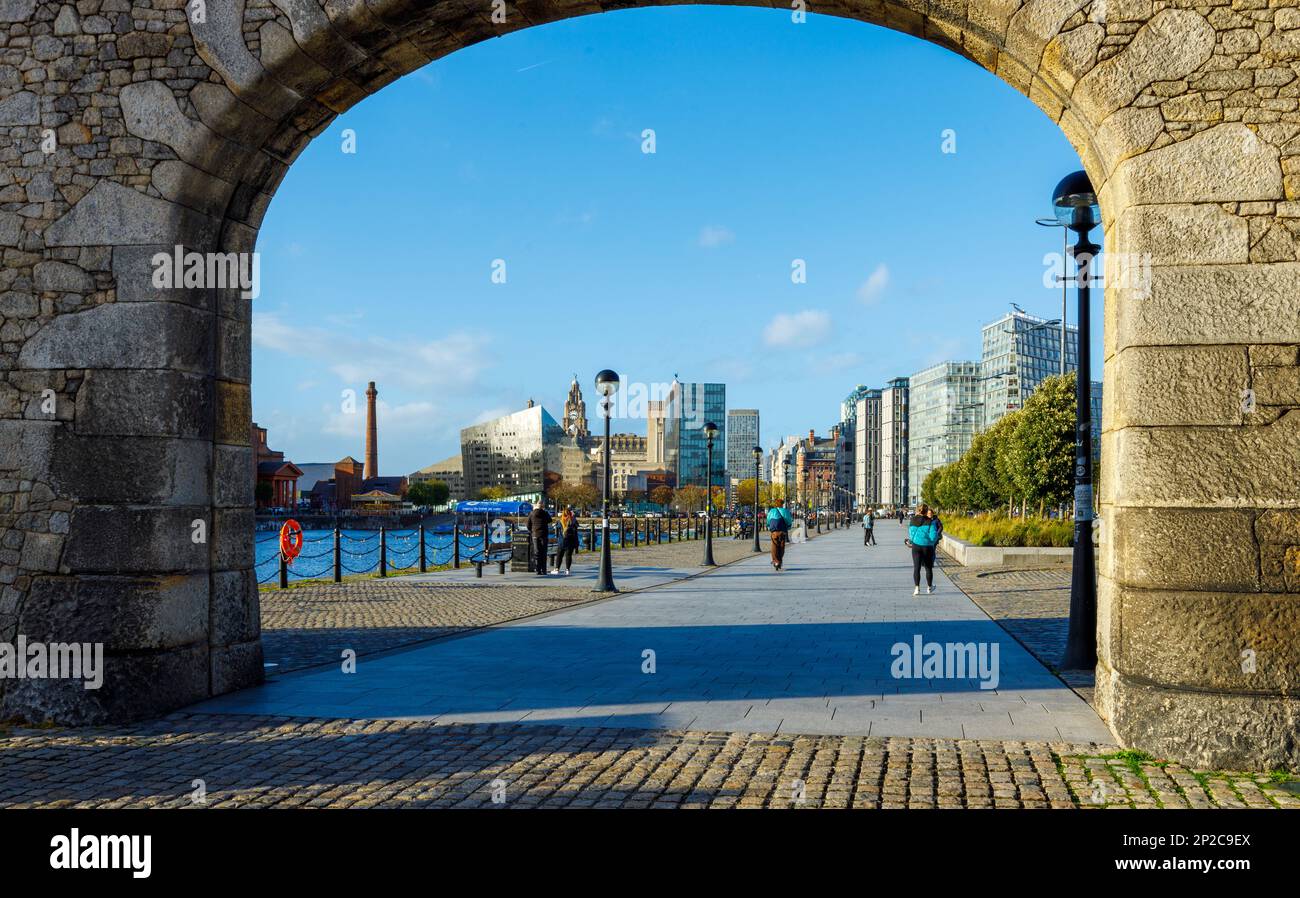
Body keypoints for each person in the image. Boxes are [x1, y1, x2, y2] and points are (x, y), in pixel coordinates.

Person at [907, 503, 940, 595]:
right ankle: (929, 587)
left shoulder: (912, 520)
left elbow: (910, 533)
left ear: (918, 510)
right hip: (927, 547)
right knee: (928, 568)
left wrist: (914, 540)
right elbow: (933, 535)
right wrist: (932, 541)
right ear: (926, 511)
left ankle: (917, 588)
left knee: (916, 567)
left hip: (916, 546)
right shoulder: (930, 521)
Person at [766, 498, 793, 571]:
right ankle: (780, 561)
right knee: (781, 546)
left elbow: (768, 520)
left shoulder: (772, 511)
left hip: (774, 531)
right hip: (782, 531)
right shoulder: (785, 511)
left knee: (774, 545)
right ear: (782, 504)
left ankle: (775, 561)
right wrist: (789, 526)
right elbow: (789, 520)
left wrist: (768, 526)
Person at [527, 500, 552, 576]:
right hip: (544, 534)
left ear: (536, 506)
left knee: (537, 553)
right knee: (543, 553)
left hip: (535, 534)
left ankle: (538, 570)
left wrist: (532, 530)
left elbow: (528, 525)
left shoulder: (532, 514)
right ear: (543, 506)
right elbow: (550, 520)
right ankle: (544, 570)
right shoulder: (545, 513)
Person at [553, 505, 579, 575]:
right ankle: (567, 569)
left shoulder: (561, 521)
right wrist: (573, 517)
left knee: (559, 555)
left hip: (562, 541)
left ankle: (557, 569)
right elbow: (577, 528)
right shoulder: (573, 520)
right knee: (568, 555)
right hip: (571, 541)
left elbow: (557, 530)